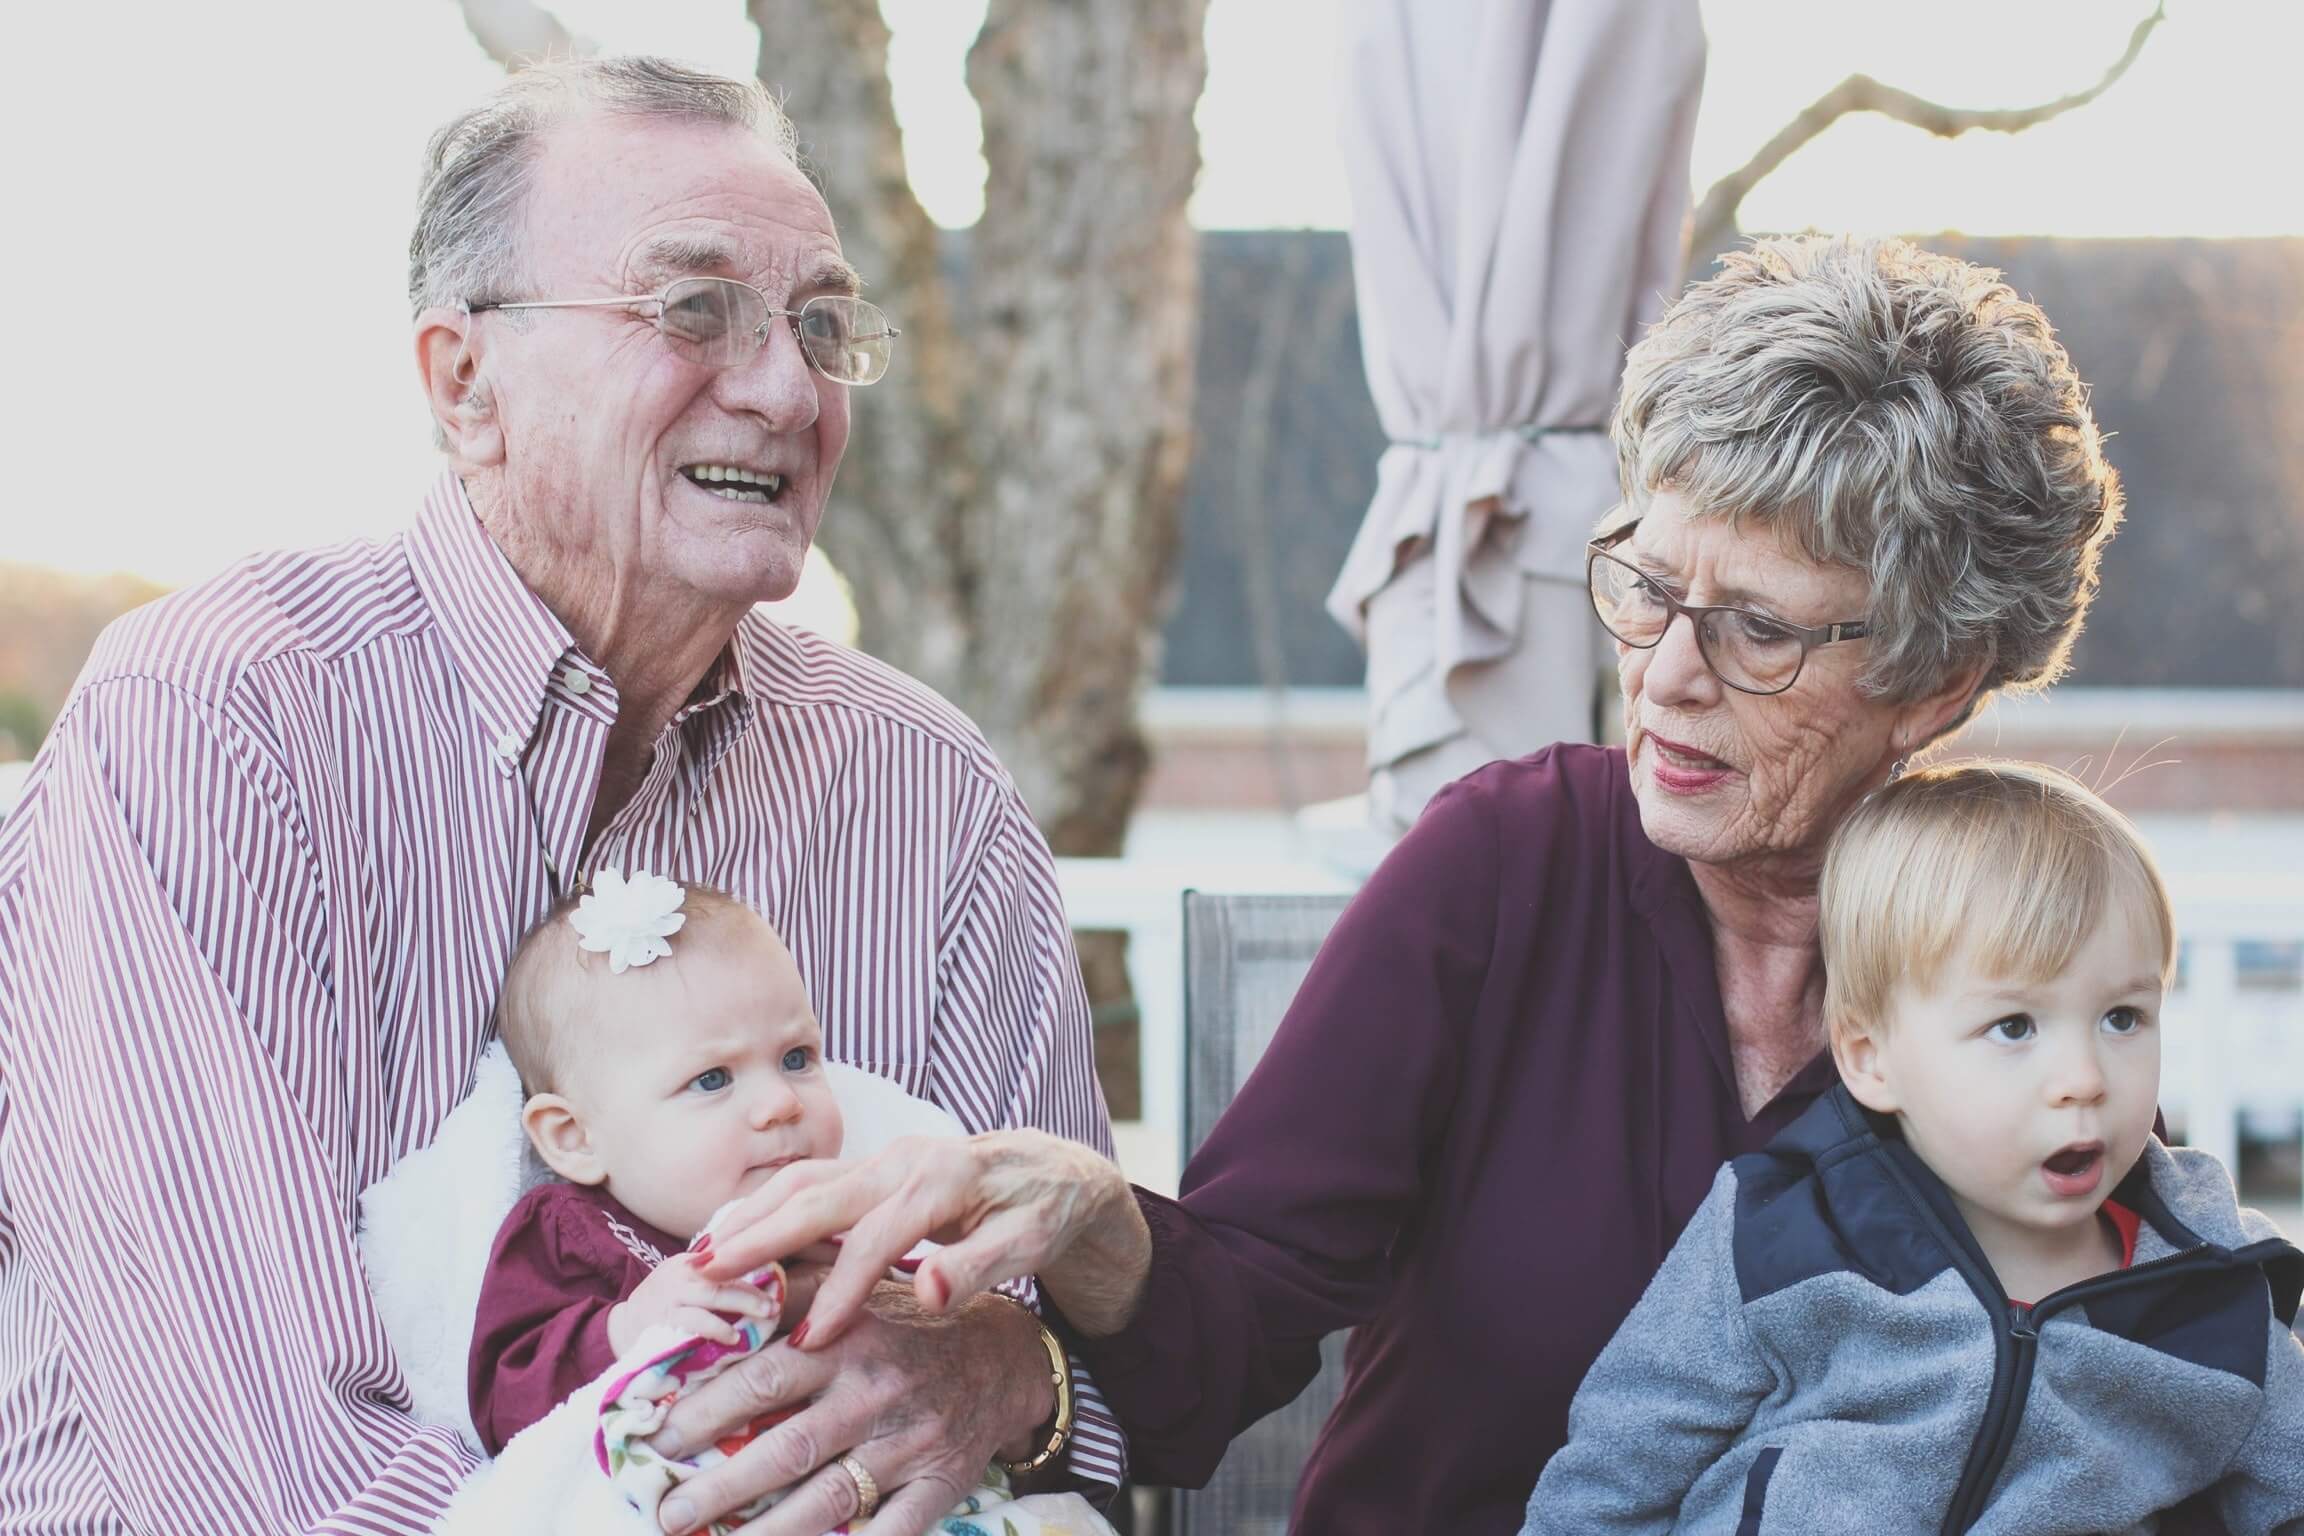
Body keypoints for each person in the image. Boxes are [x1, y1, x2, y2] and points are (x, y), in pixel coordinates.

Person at [689, 235, 2159, 1533]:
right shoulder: (1506, 868)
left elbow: (2140, 1363)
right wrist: (1093, 1209)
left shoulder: (2025, 946)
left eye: (1760, 630)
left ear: (1935, 681)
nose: (1665, 676)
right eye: (1645, 587)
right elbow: (1223, 1350)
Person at [0, 57, 1120, 1536]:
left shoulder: (927, 789)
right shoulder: (221, 719)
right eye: (692, 308)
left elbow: (1084, 1391)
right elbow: (253, 1467)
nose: (788, 387)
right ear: (468, 385)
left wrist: (1010, 1371)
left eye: (821, 325)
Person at [1523, 762, 2304, 1533]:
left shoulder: (2215, 1295)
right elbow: (1614, 1474)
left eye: (2123, 1018)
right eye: (2015, 1027)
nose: (2084, 1078)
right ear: (1870, 1057)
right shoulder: (1784, 1236)